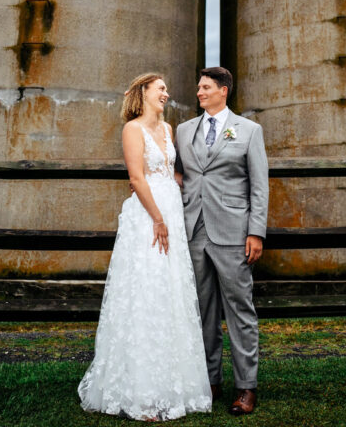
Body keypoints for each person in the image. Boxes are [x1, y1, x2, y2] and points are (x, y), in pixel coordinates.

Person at [78, 72, 212, 422]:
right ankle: (140, 392)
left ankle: (172, 386)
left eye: (166, 89)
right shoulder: (132, 130)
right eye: (161, 89)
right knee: (146, 292)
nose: (167, 94)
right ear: (144, 93)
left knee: (170, 294)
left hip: (171, 212)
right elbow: (136, 178)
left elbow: (173, 175)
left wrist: (202, 186)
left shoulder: (168, 131)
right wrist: (158, 219)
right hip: (148, 218)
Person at [175, 67, 269, 417]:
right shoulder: (184, 131)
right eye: (198, 87)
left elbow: (259, 186)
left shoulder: (249, 131)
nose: (199, 92)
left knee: (240, 311)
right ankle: (209, 382)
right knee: (202, 312)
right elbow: (180, 173)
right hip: (193, 231)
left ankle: (246, 387)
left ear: (223, 91)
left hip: (233, 234)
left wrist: (256, 231)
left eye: (205, 87)